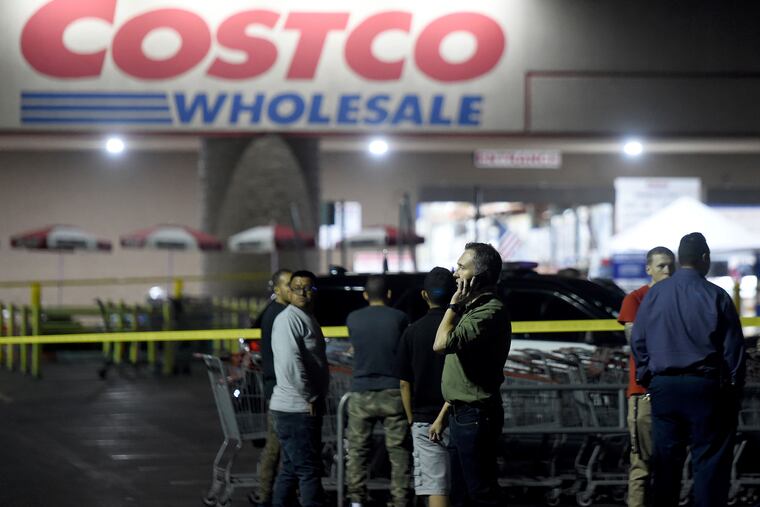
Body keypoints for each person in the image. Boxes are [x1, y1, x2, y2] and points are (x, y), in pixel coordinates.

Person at [632, 233, 746, 507]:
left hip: (664, 388)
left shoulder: (655, 294)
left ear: (679, 259)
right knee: (709, 462)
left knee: (665, 465)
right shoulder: (716, 295)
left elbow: (638, 341)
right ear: (704, 259)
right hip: (706, 389)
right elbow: (734, 351)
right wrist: (734, 389)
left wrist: (648, 376)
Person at [433, 242, 511, 507]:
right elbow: (464, 373)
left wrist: (453, 306)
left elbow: (440, 344)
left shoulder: (488, 312)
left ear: (477, 276)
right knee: (461, 494)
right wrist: (444, 413)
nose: (455, 273)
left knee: (481, 492)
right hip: (461, 413)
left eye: (461, 267)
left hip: (475, 417)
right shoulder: (473, 308)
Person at [346, 275, 411, 507]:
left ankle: (356, 499)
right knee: (398, 450)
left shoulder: (353, 318)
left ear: (365, 295)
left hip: (361, 391)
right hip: (393, 391)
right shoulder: (400, 318)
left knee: (357, 449)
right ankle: (400, 499)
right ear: (389, 295)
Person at [617, 247, 674, 507]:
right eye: (661, 266)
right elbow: (635, 341)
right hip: (644, 390)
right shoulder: (636, 299)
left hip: (669, 389)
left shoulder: (678, 299)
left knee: (668, 463)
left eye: (670, 266)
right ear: (648, 268)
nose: (667, 271)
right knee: (641, 463)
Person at [269, 270, 329, 507]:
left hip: (301, 407)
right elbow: (291, 363)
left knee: (293, 469)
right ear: (288, 291)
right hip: (296, 408)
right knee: (308, 470)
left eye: (308, 288)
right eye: (297, 288)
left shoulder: (306, 317)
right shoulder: (287, 320)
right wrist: (311, 395)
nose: (302, 292)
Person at [397, 267, 457, 507]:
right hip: (461, 414)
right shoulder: (461, 327)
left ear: (424, 295)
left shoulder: (412, 332)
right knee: (463, 482)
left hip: (425, 419)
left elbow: (404, 382)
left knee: (437, 486)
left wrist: (411, 417)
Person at [250, 269, 291, 507]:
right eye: (288, 285)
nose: (293, 290)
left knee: (277, 446)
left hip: (277, 386)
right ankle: (266, 494)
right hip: (277, 388)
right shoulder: (279, 314)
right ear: (277, 288)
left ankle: (269, 493)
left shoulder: (275, 312)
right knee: (275, 446)